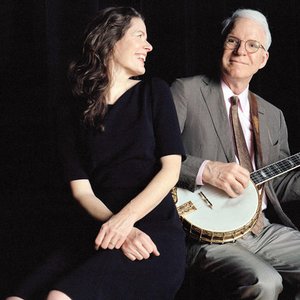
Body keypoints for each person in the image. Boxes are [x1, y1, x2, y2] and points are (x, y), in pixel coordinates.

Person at [6, 6, 186, 300]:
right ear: (111, 40)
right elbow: (82, 192)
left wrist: (125, 222)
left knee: (59, 297)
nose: (149, 46)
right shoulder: (69, 110)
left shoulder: (155, 92)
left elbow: (171, 172)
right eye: (139, 36)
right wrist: (118, 229)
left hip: (153, 234)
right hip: (97, 231)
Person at [171, 8, 300, 300]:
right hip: (203, 233)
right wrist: (206, 170)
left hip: (263, 229)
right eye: (233, 41)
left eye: (252, 45)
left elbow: (277, 183)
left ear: (263, 58)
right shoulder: (186, 92)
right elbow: (151, 155)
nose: (241, 51)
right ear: (223, 45)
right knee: (265, 282)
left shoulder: (273, 115)